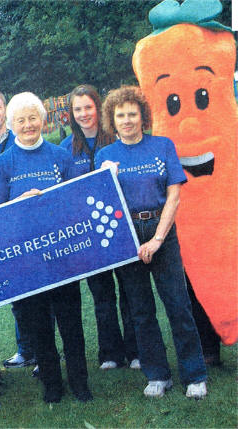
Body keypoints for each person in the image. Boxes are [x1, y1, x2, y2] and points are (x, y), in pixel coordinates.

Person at [95, 86, 208, 399]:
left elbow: (174, 193)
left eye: (132, 114)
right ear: (112, 120)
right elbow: (101, 203)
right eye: (121, 115)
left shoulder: (162, 145)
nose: (127, 120)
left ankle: (195, 375)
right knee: (140, 311)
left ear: (142, 116)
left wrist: (158, 238)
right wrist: (107, 179)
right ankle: (157, 375)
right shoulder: (105, 156)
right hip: (127, 238)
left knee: (178, 305)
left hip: (162, 230)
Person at [0, 92, 92, 403]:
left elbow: (75, 199)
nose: (28, 125)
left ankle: (80, 382)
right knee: (38, 325)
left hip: (62, 256)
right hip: (27, 262)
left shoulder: (60, 155)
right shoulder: (4, 163)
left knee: (71, 323)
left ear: (43, 121)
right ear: (11, 124)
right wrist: (19, 203)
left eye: (33, 118)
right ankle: (52, 386)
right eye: (21, 120)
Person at [60, 84, 140, 371]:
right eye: (77, 109)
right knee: (102, 294)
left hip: (121, 227)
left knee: (130, 291)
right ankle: (110, 353)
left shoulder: (118, 140)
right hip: (90, 235)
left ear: (99, 107)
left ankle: (136, 350)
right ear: (71, 113)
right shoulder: (66, 149)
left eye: (88, 107)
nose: (84, 114)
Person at [0, 90, 37, 374]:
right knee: (18, 294)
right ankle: (26, 350)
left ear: (5, 111)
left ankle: (39, 350)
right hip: (0, 228)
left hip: (30, 227)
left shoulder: (21, 139)